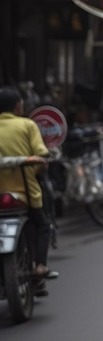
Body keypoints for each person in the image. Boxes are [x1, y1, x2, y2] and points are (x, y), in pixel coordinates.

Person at [0, 87, 56, 297]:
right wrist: (41, 166)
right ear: (18, 107)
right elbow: (41, 155)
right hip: (25, 194)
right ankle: (40, 266)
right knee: (42, 225)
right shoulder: (27, 125)